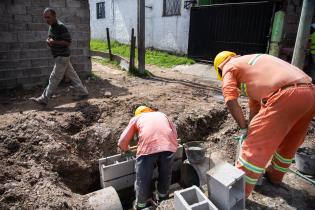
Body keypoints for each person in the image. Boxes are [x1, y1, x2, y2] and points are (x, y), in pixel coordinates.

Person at [213, 51, 315, 197]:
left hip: (286, 95)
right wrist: (251, 128)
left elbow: (230, 98)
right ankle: (275, 178)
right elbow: (255, 108)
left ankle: (237, 194)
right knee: (290, 142)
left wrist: (244, 129)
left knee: (253, 148)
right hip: (310, 94)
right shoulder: (252, 64)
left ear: (219, 69)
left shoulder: (229, 66)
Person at [118, 106, 178, 210]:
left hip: (147, 150)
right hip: (168, 147)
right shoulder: (161, 114)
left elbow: (122, 141)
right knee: (165, 175)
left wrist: (126, 149)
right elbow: (174, 132)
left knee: (143, 180)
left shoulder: (137, 118)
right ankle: (164, 199)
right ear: (149, 110)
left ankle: (141, 205)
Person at [31, 8, 88, 106]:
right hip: (59, 56)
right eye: (45, 18)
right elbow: (51, 38)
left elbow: (68, 42)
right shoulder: (51, 26)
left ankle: (43, 99)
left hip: (62, 56)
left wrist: (54, 42)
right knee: (73, 75)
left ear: (54, 16)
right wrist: (48, 41)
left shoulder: (61, 27)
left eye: (48, 17)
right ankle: (83, 92)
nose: (46, 20)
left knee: (54, 78)